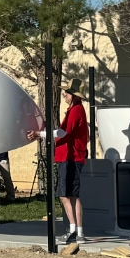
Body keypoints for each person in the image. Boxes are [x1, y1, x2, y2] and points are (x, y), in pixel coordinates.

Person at [55, 88, 90, 243]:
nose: (65, 95)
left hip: (71, 158)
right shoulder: (74, 110)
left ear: (74, 96)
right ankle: (74, 230)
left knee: (70, 195)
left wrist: (41, 134)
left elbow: (64, 132)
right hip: (68, 157)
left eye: (67, 93)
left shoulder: (76, 110)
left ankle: (77, 231)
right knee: (67, 195)